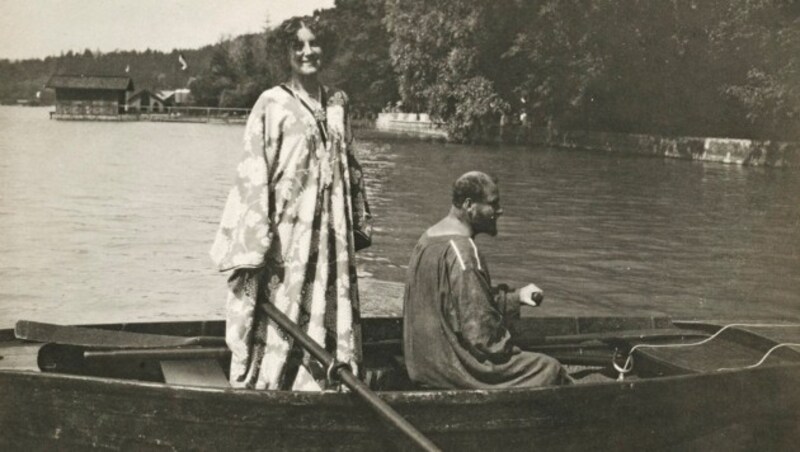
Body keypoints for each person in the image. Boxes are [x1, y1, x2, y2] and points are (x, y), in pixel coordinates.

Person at [210, 16, 363, 391]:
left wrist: (354, 224)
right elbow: (253, 175)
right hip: (288, 236)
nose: (308, 52)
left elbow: (351, 171)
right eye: (299, 46)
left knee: (328, 305)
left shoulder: (339, 104)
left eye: (314, 44)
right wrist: (255, 243)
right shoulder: (271, 104)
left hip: (332, 236)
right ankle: (274, 385)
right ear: (287, 53)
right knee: (284, 307)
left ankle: (326, 383)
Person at [403, 171, 569, 389]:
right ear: (470, 205)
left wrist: (515, 298)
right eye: (493, 204)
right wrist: (511, 347)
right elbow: (483, 336)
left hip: (422, 365)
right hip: (453, 371)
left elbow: (459, 303)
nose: (500, 211)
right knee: (550, 368)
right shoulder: (464, 252)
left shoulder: (429, 238)